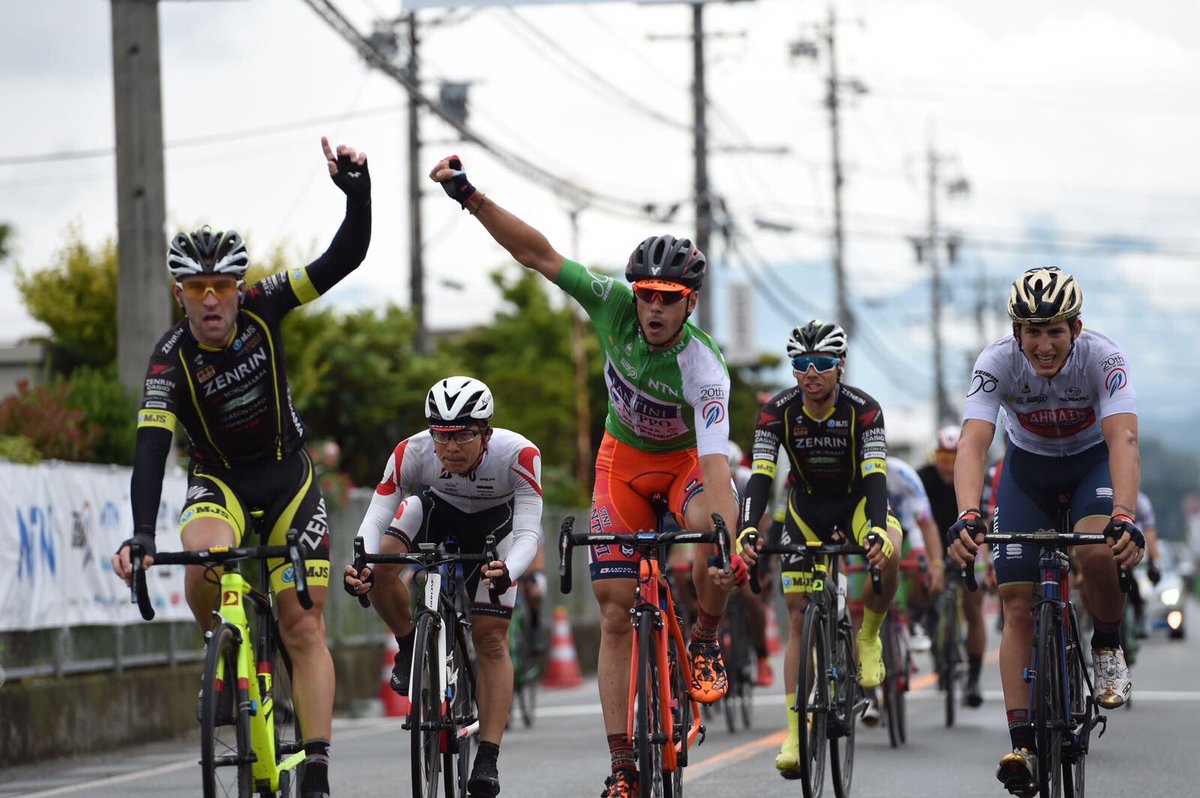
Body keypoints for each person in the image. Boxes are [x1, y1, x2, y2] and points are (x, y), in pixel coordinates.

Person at [429, 156, 743, 798]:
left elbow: (713, 464)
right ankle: (623, 763)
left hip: (684, 466)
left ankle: (707, 637)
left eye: (670, 301)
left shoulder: (704, 367)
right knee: (614, 609)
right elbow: (539, 255)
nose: (654, 310)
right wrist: (469, 196)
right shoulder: (612, 306)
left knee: (713, 544)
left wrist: (726, 539)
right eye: (647, 296)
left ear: (691, 304)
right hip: (621, 465)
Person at [112, 137, 372, 798]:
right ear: (180, 292)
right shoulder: (169, 359)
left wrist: (357, 193)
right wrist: (142, 534)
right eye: (196, 288)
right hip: (220, 480)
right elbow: (149, 449)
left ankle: (314, 764)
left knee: (302, 623)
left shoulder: (266, 305)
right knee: (202, 554)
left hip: (289, 479)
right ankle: (223, 645)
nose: (210, 300)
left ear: (237, 287)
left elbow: (344, 259)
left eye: (220, 286)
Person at [944, 266, 1144, 796]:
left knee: (1100, 555)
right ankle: (1023, 743)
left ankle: (1105, 644)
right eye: (1033, 331)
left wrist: (1123, 513)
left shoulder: (1105, 358)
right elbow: (972, 441)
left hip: (1090, 468)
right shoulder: (996, 363)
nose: (1044, 343)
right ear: (1017, 333)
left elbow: (1123, 439)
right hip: (1027, 473)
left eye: (1055, 330)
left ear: (1076, 329)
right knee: (1015, 602)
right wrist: (968, 513)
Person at [343, 376, 542, 797]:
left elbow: (527, 531)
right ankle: (410, 643)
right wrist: (360, 561)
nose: (450, 447)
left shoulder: (519, 454)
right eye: (442, 435)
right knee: (382, 564)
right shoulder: (412, 452)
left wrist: (509, 569)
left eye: (464, 436)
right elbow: (376, 517)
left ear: (486, 432)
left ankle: (487, 755)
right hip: (439, 510)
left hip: (496, 526)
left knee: (491, 641)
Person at [736, 321, 903, 779]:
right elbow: (762, 476)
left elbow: (875, 477)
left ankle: (868, 634)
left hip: (856, 501)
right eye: (801, 365)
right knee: (795, 613)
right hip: (806, 506)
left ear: (839, 366)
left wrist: (875, 529)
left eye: (822, 364)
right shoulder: (776, 411)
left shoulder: (864, 410)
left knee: (893, 545)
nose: (811, 373)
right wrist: (749, 528)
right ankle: (794, 731)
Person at [918, 425, 990, 707]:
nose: (948, 467)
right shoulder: (923, 478)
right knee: (921, 583)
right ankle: (927, 620)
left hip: (970, 544)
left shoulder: (974, 476)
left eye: (954, 459)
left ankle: (973, 677)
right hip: (933, 545)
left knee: (973, 606)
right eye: (943, 459)